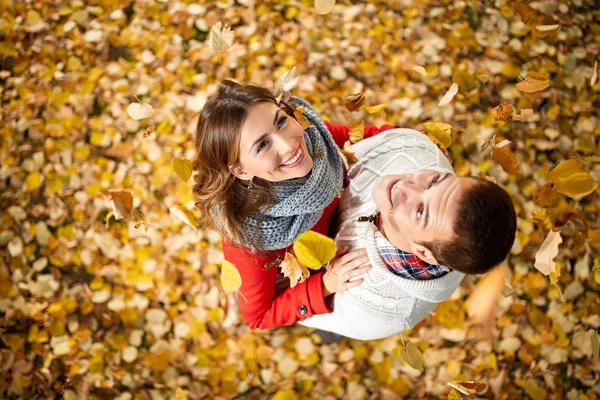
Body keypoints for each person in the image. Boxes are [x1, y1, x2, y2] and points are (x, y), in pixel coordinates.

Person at [191, 80, 397, 330]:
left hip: (354, 224)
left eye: (280, 121)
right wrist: (326, 285)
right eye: (263, 145)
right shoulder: (250, 236)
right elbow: (258, 318)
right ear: (241, 171)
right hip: (321, 278)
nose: (289, 144)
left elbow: (348, 137)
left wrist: (405, 138)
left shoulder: (311, 135)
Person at [298, 128, 517, 340]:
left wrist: (320, 289)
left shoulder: (375, 312)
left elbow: (290, 306)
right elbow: (340, 142)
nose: (406, 186)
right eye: (435, 181)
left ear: (423, 253)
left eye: (421, 211)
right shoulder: (414, 150)